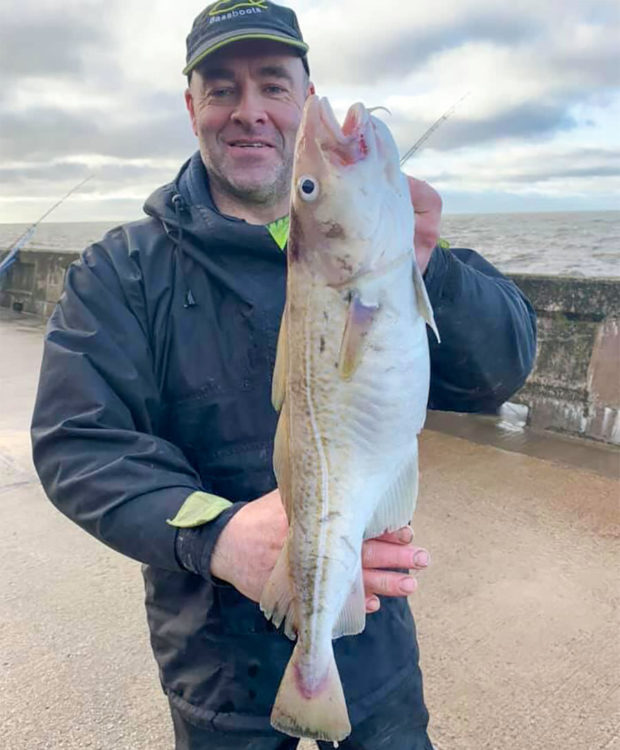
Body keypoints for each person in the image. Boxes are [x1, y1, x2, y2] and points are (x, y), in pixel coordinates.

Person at [30, 2, 537, 748]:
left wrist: (428, 267)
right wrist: (221, 533)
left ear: (304, 98)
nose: (249, 111)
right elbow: (76, 442)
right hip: (214, 664)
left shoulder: (388, 253)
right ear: (191, 106)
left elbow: (500, 369)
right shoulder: (121, 272)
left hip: (368, 642)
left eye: (273, 83)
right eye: (222, 88)